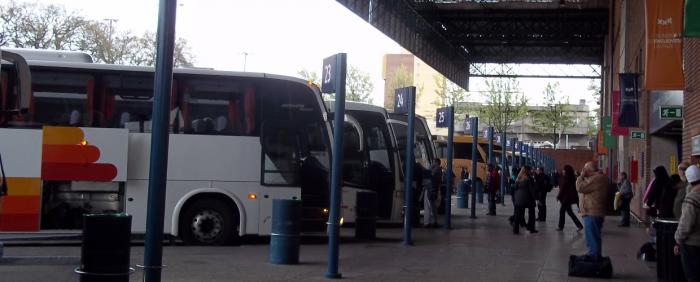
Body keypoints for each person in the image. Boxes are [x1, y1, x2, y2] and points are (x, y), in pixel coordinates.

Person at [576, 161, 608, 260]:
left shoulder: (597, 179)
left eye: (585, 169)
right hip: (591, 212)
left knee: (592, 238)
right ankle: (593, 255)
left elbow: (580, 187)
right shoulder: (596, 178)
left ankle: (594, 258)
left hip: (592, 213)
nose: (583, 171)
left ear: (589, 170)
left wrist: (580, 176)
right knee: (591, 237)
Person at [674, 165, 700, 282]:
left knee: (692, 276)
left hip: (691, 244)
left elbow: (686, 224)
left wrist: (678, 240)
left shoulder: (692, 198)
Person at [557, 165, 583, 231]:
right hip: (568, 198)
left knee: (562, 211)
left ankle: (560, 226)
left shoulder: (566, 178)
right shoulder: (571, 177)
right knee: (570, 212)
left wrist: (558, 196)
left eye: (564, 170)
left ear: (566, 171)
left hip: (566, 198)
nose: (563, 171)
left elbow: (563, 189)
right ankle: (579, 225)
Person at [513, 166, 537, 234]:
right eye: (530, 170)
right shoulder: (528, 179)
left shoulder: (518, 178)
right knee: (532, 212)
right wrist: (536, 198)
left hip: (518, 198)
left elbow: (515, 188)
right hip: (526, 198)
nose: (531, 171)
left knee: (518, 214)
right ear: (527, 171)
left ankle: (516, 229)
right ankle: (531, 228)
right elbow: (531, 190)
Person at [423, 158, 441, 228]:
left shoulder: (436, 169)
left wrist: (430, 168)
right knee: (433, 207)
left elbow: (429, 175)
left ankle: (428, 223)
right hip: (433, 189)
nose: (432, 163)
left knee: (429, 207)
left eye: (433, 162)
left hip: (431, 190)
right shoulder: (438, 169)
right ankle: (433, 221)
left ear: (436, 162)